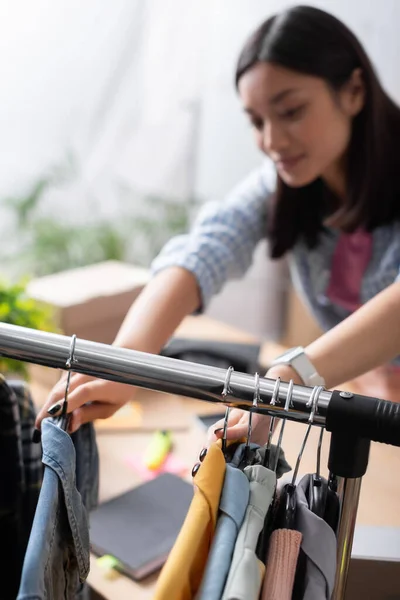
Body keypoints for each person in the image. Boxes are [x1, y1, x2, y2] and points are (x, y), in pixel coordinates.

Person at [36, 5, 400, 447]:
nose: (271, 141)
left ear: (355, 91)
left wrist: (289, 377)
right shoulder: (286, 186)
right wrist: (123, 364)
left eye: (291, 111)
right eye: (256, 121)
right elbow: (204, 251)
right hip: (371, 409)